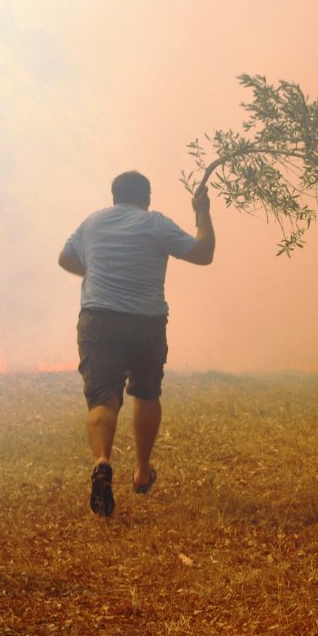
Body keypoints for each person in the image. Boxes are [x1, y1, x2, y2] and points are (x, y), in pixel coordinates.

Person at [58, 170, 215, 516]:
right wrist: (202, 211)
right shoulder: (155, 223)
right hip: (146, 323)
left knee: (103, 398)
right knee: (145, 392)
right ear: (147, 198)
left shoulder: (93, 222)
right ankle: (142, 472)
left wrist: (98, 271)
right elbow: (203, 253)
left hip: (99, 319)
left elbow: (65, 258)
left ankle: (102, 461)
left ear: (114, 196)